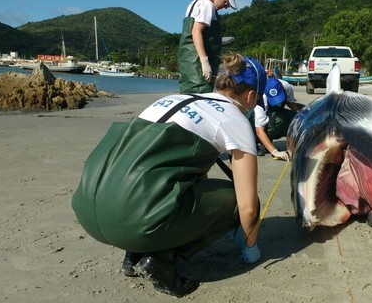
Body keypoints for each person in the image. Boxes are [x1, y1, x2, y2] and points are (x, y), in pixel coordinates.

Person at [71, 53, 266, 297]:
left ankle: (134, 253)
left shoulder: (175, 98)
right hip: (133, 219)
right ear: (250, 96)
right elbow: (248, 207)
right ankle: (161, 258)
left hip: (89, 207)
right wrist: (251, 249)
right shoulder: (235, 119)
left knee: (167, 187)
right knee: (236, 200)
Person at [178, 0, 239, 94]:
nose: (226, 7)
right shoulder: (206, 5)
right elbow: (196, 31)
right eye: (226, 2)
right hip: (196, 64)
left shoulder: (198, 3)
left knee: (191, 95)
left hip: (190, 62)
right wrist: (204, 61)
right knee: (198, 95)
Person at [253, 73, 303, 160]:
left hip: (273, 111)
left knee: (296, 118)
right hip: (253, 118)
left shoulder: (287, 86)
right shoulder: (261, 97)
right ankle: (254, 142)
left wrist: (302, 117)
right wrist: (274, 152)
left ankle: (268, 142)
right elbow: (260, 130)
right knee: (278, 120)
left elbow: (291, 104)